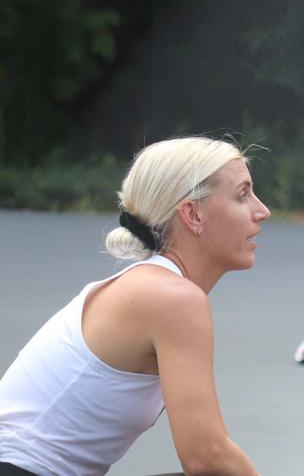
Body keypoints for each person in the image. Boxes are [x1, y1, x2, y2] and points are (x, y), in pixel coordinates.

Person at [0, 137, 269, 475]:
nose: (262, 210)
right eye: (242, 195)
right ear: (192, 215)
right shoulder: (173, 298)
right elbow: (207, 456)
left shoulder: (154, 287)